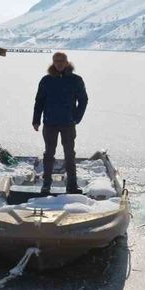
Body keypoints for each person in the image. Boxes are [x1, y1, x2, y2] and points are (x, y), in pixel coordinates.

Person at [32, 51, 88, 195]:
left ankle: (72, 185)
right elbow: (39, 101)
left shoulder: (76, 80)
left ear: (66, 62)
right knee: (49, 153)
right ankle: (46, 185)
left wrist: (77, 117)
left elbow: (83, 100)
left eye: (62, 60)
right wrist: (36, 120)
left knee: (69, 154)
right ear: (53, 62)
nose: (59, 63)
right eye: (56, 60)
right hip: (50, 122)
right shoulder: (46, 80)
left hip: (68, 123)